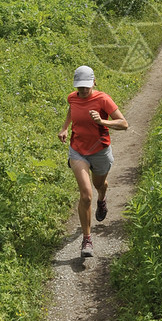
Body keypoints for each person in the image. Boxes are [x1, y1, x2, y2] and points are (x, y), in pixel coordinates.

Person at [59, 65, 128, 257]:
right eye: (79, 87)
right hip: (78, 151)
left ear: (93, 82)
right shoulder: (72, 97)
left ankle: (103, 198)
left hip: (100, 151)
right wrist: (65, 127)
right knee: (85, 195)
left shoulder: (103, 99)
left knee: (99, 185)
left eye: (86, 87)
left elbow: (124, 124)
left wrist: (102, 122)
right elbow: (72, 110)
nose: (82, 90)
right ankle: (87, 239)